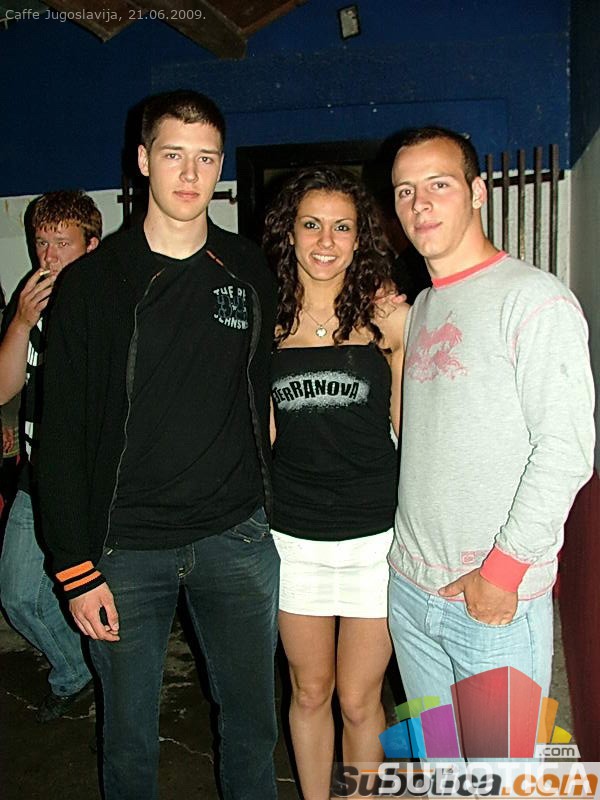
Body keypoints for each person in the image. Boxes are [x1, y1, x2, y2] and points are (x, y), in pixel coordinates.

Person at [37, 90, 279, 800]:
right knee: (130, 738)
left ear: (220, 165)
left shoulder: (247, 267)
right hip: (125, 549)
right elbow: (61, 434)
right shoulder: (92, 283)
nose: (190, 174)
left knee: (252, 727)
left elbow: (264, 385)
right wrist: (74, 566)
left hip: (235, 539)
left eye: (206, 158)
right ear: (143, 160)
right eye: (174, 155)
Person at [387, 126, 594, 710]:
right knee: (436, 756)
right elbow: (419, 439)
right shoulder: (424, 306)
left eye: (439, 185)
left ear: (477, 192)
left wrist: (503, 572)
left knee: (501, 764)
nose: (419, 204)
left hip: (490, 603)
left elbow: (566, 451)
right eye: (405, 191)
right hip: (411, 594)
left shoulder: (534, 300)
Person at [263, 167, 409, 799]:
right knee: (309, 691)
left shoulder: (387, 318)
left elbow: (409, 429)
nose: (326, 241)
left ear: (360, 238)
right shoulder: (266, 320)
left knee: (358, 699)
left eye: (342, 227)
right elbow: (262, 435)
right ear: (289, 232)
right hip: (294, 538)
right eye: (311, 224)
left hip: (376, 539)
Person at [0, 190, 101, 721]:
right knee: (18, 594)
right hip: (35, 477)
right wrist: (20, 322)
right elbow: (3, 389)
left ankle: (109, 682)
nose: (49, 255)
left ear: (91, 245)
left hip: (91, 481)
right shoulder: (29, 300)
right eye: (41, 242)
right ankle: (76, 671)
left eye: (63, 242)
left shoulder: (107, 300)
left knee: (103, 596)